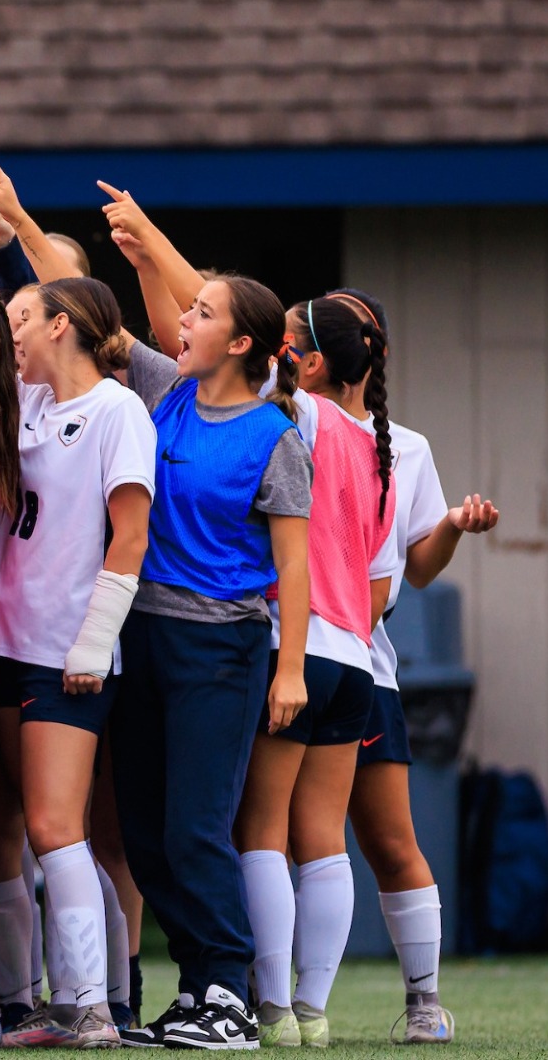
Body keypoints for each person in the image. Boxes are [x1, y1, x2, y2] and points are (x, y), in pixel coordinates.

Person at [103, 263, 312, 1051]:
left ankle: (231, 993)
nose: (184, 322)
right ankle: (198, 992)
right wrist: (21, 226)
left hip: (221, 649)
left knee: (196, 826)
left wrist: (289, 668)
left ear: (243, 341)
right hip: (142, 635)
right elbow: (94, 317)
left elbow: (295, 567)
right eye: (187, 310)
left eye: (203, 312)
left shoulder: (274, 436)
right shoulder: (170, 393)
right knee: (147, 830)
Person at [318, 289, 498, 1046]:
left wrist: (453, 525)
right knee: (290, 837)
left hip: (359, 665)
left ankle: (423, 1000)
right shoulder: (288, 424)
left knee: (389, 840)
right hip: (289, 654)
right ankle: (284, 1002)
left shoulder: (407, 447)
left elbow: (410, 571)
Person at [0, 277, 154, 1049]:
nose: (12, 335)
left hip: (67, 654)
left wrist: (94, 640)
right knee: (27, 832)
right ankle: (66, 1004)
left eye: (26, 321)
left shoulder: (117, 410)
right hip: (2, 646)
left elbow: (130, 536)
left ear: (63, 325)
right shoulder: (31, 405)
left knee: (59, 828)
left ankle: (90, 1006)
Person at [234, 297, 397, 1047]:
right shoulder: (381, 445)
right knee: (323, 839)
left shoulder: (304, 417)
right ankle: (314, 1009)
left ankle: (271, 1005)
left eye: (290, 344)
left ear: (311, 363)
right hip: (356, 663)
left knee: (262, 830)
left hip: (291, 646)